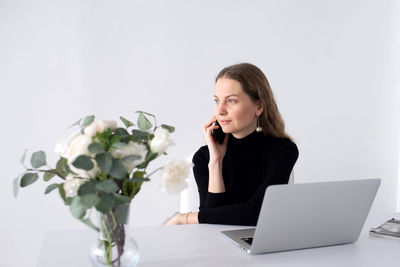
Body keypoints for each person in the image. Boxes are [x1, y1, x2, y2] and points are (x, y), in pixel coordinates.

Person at [165, 63, 298, 226]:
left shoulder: (283, 150)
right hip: (215, 247)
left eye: (231, 101)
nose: (220, 110)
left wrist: (185, 218)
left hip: (263, 246)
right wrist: (215, 162)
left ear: (259, 106)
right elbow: (212, 225)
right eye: (217, 100)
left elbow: (258, 213)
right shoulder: (204, 157)